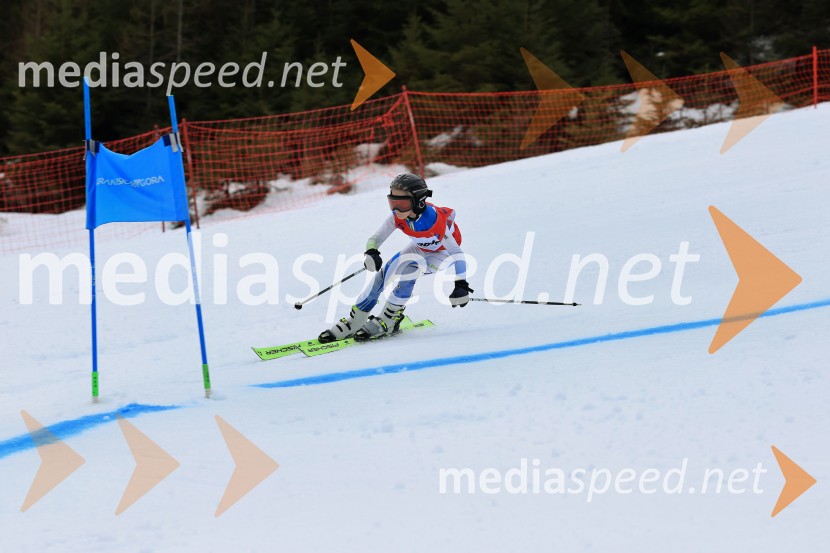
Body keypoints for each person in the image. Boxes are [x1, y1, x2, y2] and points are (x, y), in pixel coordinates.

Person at [319, 173, 473, 343]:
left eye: (402, 203)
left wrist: (461, 284)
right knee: (384, 274)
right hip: (420, 247)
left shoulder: (435, 222)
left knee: (409, 271)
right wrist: (372, 252)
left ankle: (390, 318)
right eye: (392, 202)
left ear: (419, 201)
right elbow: (375, 239)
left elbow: (457, 253)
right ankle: (357, 319)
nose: (396, 209)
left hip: (441, 254)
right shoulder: (397, 217)